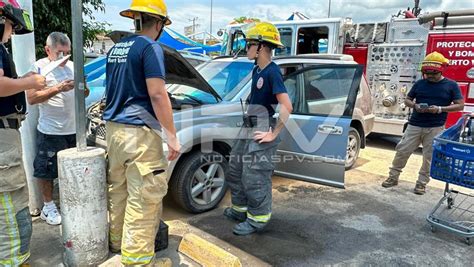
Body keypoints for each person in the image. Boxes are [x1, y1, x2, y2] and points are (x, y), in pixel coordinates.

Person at [103, 0, 180, 265]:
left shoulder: (116, 49)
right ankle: (137, 260)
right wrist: (171, 135)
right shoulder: (150, 47)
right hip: (139, 134)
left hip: (113, 132)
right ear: (158, 24)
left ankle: (117, 243)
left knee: (119, 191)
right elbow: (157, 94)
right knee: (144, 198)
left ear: (135, 19)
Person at [224, 21, 293, 235]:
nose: (246, 48)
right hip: (249, 126)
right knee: (235, 169)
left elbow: (287, 106)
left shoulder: (272, 73)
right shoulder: (257, 70)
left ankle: (257, 219)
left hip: (263, 128)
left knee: (255, 176)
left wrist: (273, 133)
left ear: (261, 47)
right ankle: (240, 209)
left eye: (249, 44)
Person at [0, 0, 46, 265]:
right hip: (3, 137)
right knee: (12, 209)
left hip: (6, 132)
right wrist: (30, 81)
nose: (10, 32)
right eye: (9, 25)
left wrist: (23, 79)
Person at [26, 32, 88, 225]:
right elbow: (32, 98)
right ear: (48, 50)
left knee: (72, 170)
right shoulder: (39, 68)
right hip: (51, 130)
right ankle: (48, 206)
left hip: (73, 130)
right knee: (47, 170)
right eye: (60, 53)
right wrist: (58, 89)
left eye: (67, 53)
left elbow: (85, 92)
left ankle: (70, 203)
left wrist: (81, 88)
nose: (64, 58)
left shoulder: (72, 66)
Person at [382, 51, 464, 195]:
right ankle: (393, 177)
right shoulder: (420, 83)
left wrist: (440, 109)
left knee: (429, 157)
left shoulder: (451, 85)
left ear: (441, 70)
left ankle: (421, 183)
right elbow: (407, 99)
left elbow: (460, 105)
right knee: (402, 151)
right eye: (427, 73)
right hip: (415, 124)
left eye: (434, 73)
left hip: (435, 127)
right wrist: (415, 106)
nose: (430, 76)